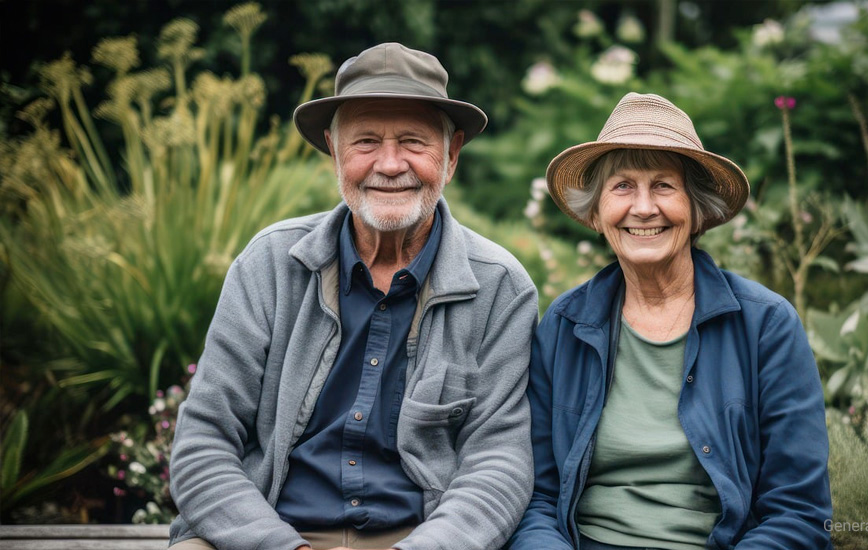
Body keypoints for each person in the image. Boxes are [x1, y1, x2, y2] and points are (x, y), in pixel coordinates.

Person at [167, 43, 538, 550]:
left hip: (422, 537)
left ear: (450, 155)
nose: (389, 164)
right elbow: (203, 442)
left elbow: (499, 464)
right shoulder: (270, 264)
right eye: (365, 142)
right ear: (334, 152)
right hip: (269, 531)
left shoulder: (500, 286)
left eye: (413, 141)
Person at [507, 93, 832, 550]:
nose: (643, 207)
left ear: (696, 210)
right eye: (622, 186)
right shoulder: (563, 327)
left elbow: (799, 512)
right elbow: (535, 497)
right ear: (597, 214)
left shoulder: (767, 326)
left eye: (663, 185)